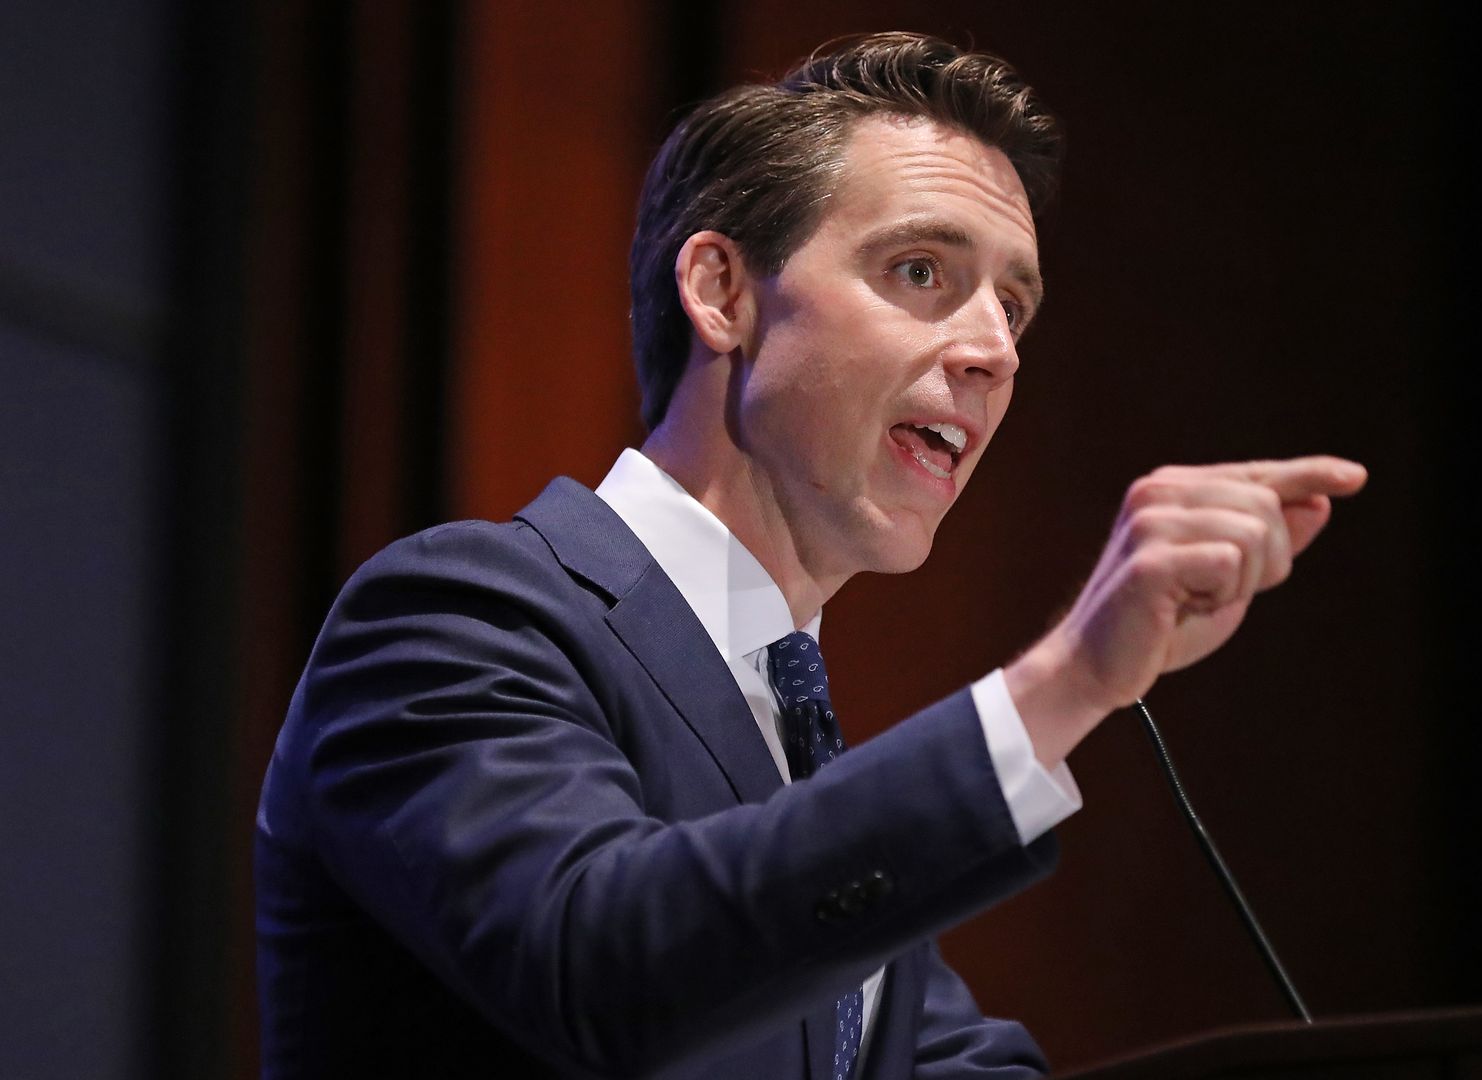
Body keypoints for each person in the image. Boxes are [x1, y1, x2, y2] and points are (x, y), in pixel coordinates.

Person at [254, 31, 1366, 1080]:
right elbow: (604, 961)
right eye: (923, 271)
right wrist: (1068, 680)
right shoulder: (456, 619)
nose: (992, 351)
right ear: (724, 293)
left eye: (1014, 307)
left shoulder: (804, 757)